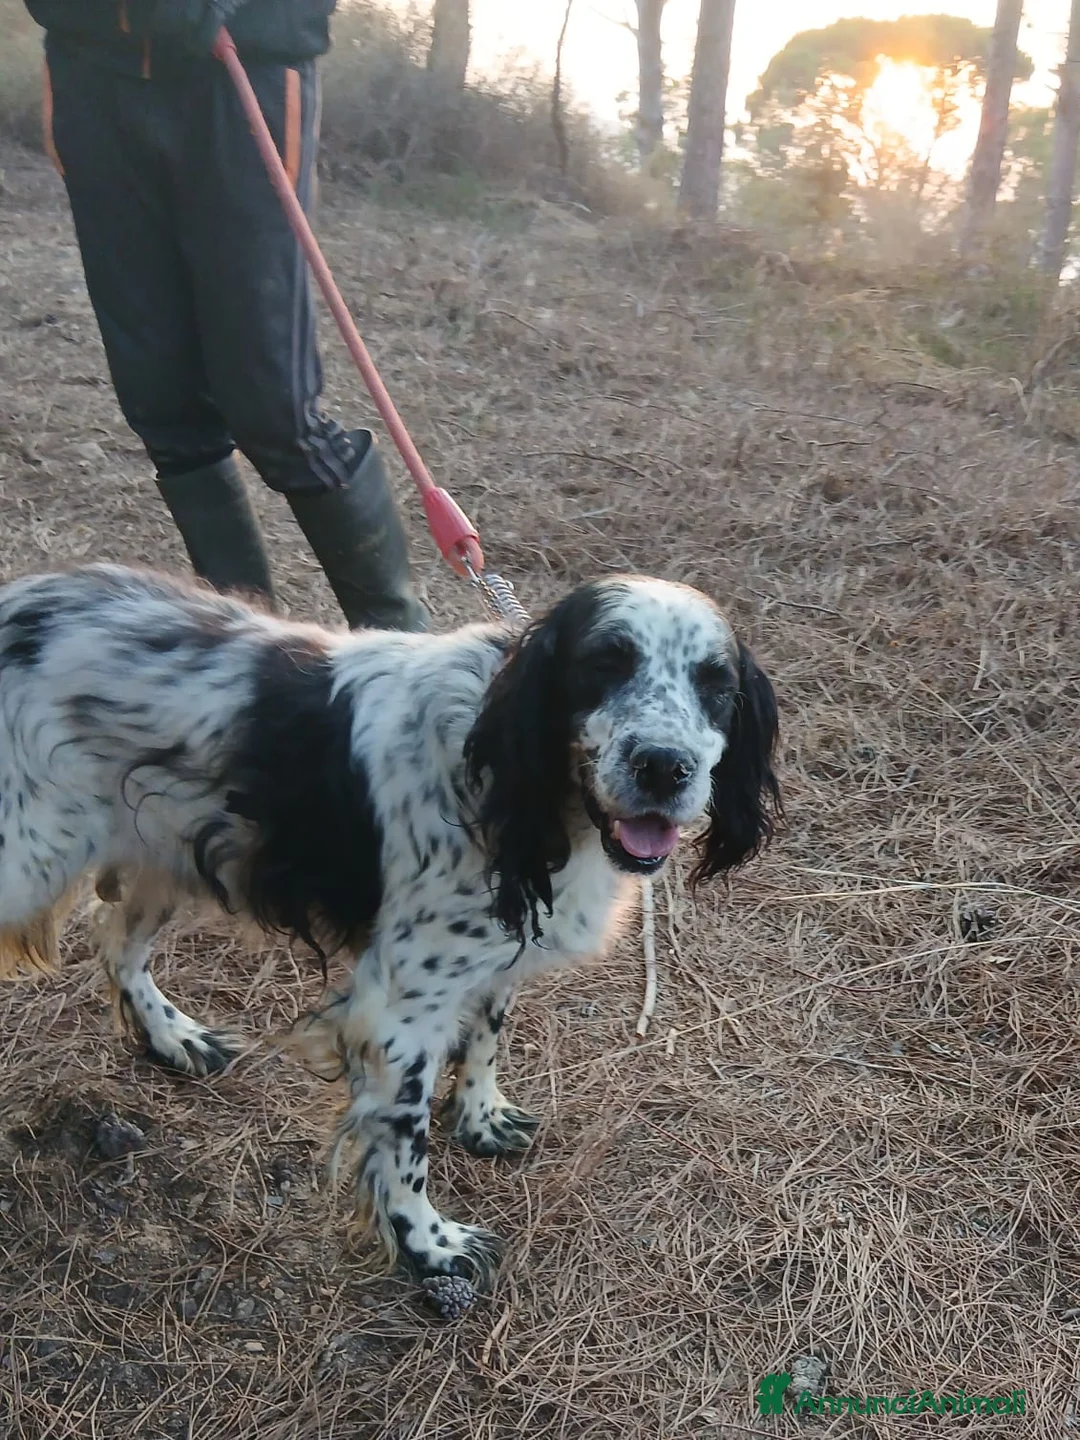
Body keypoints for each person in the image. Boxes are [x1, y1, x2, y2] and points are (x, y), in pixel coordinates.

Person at [24, 0, 428, 632]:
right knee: (160, 398)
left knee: (274, 407)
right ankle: (242, 655)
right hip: (90, 69)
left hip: (245, 66)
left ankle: (401, 652)